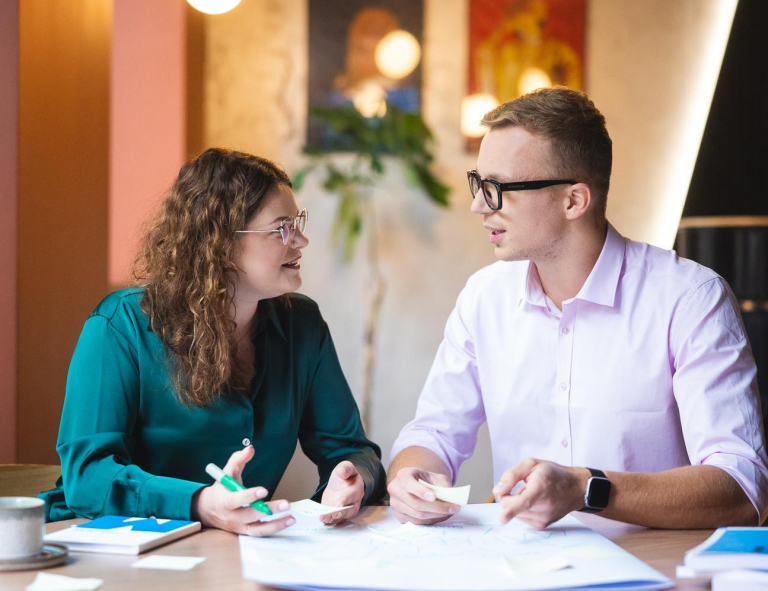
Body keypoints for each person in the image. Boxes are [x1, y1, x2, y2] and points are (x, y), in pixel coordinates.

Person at [387, 87, 768, 530]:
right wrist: (410, 478)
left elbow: (742, 487)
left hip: (651, 572)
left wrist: (586, 488)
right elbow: (432, 433)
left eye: (496, 189)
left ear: (573, 200)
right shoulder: (483, 298)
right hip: (521, 571)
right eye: (478, 183)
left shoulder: (691, 299)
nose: (478, 206)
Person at [40, 148, 386, 536]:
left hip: (234, 552)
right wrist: (201, 504)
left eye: (298, 223)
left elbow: (351, 448)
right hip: (105, 546)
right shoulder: (120, 326)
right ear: (220, 245)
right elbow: (88, 476)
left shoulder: (302, 325)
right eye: (282, 228)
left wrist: (352, 479)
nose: (301, 240)